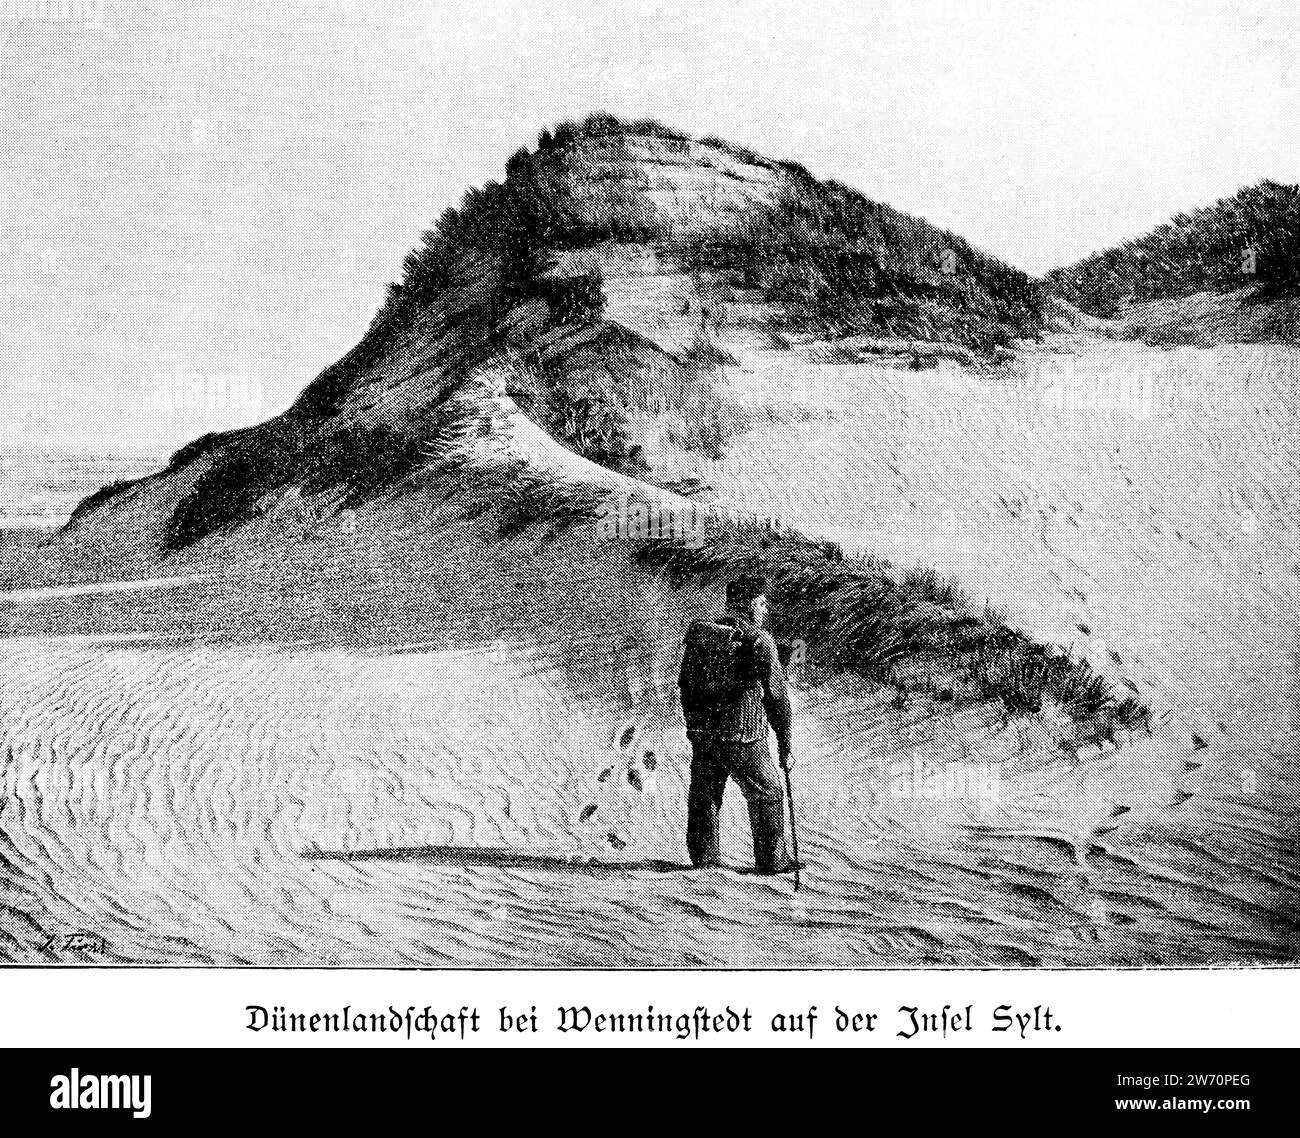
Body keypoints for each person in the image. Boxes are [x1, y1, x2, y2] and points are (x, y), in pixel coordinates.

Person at [677, 574, 797, 874]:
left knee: (705, 796)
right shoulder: (760, 641)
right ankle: (773, 864)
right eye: (762, 603)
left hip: (703, 735)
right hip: (745, 737)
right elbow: (777, 700)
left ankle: (703, 865)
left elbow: (685, 684)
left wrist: (695, 727)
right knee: (768, 791)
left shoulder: (701, 634)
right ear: (749, 604)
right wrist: (785, 745)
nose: (765, 610)